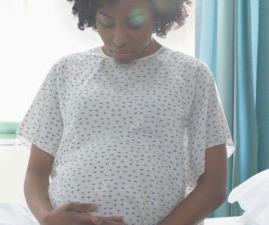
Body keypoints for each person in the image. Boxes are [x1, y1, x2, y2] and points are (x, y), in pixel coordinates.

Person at [17, 0, 234, 224]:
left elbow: (213, 185)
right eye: (107, 23)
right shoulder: (66, 71)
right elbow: (36, 173)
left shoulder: (193, 75)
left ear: (158, 17)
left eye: (135, 24)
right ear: (92, 16)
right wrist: (46, 218)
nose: (119, 39)